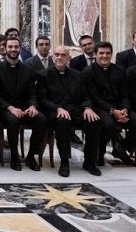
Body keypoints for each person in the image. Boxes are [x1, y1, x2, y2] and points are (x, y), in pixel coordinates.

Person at [43, 46, 102, 176]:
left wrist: (87, 108)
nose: (59, 57)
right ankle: (64, 162)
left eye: (63, 55)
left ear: (69, 58)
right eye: (56, 55)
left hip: (75, 110)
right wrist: (58, 108)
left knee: (94, 121)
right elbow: (43, 99)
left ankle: (90, 161)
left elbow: (86, 95)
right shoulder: (44, 75)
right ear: (52, 57)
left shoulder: (77, 75)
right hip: (54, 111)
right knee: (62, 121)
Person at [81, 41, 136, 167]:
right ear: (95, 54)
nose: (105, 56)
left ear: (111, 54)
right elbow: (95, 97)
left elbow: (125, 94)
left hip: (120, 108)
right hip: (99, 107)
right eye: (101, 53)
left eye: (108, 53)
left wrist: (125, 109)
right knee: (109, 125)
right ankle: (100, 152)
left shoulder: (120, 71)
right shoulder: (88, 72)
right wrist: (113, 111)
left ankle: (122, 149)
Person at [0, 37, 44, 171]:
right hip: (4, 109)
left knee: (41, 119)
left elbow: (32, 93)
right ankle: (14, 156)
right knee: (13, 120)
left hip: (25, 108)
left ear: (20, 49)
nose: (13, 49)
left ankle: (30, 156)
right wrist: (10, 108)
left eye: (16, 47)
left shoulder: (28, 70)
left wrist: (32, 106)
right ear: (5, 49)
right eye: (10, 47)